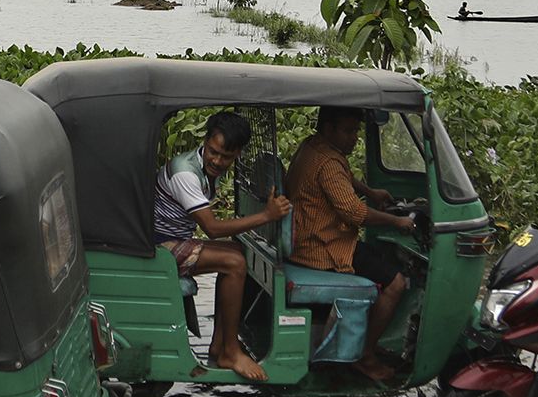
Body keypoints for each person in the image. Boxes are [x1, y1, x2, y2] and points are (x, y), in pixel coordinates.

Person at [154, 111, 291, 381]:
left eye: (226, 157)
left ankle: (220, 343)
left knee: (238, 253)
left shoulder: (202, 167)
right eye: (213, 152)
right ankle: (229, 350)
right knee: (234, 262)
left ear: (238, 153)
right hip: (160, 246)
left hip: (175, 239)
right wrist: (266, 216)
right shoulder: (186, 173)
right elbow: (213, 229)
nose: (217, 160)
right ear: (205, 141)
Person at [285, 106, 416, 382]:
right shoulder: (330, 162)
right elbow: (355, 213)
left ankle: (361, 342)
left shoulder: (314, 147)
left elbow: (341, 178)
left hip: (307, 239)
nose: (354, 137)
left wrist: (369, 191)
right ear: (328, 128)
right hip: (324, 248)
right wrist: (397, 223)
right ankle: (365, 357)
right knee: (397, 283)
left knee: (379, 262)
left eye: (356, 131)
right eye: (348, 130)